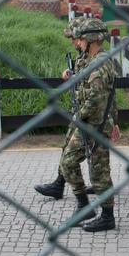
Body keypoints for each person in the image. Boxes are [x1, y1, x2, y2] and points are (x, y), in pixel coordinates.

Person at [58, 18, 120, 232]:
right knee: (68, 162)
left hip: (95, 124)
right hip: (88, 122)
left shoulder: (100, 63)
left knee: (99, 172)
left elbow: (98, 98)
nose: (78, 42)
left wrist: (79, 117)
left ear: (91, 39)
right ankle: (84, 206)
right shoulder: (90, 59)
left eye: (82, 38)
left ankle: (107, 217)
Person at [34, 17, 88, 199]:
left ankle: (99, 188)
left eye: (75, 38)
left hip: (91, 113)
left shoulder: (93, 56)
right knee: (67, 146)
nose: (73, 42)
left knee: (93, 155)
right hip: (81, 110)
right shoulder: (82, 55)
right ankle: (59, 183)